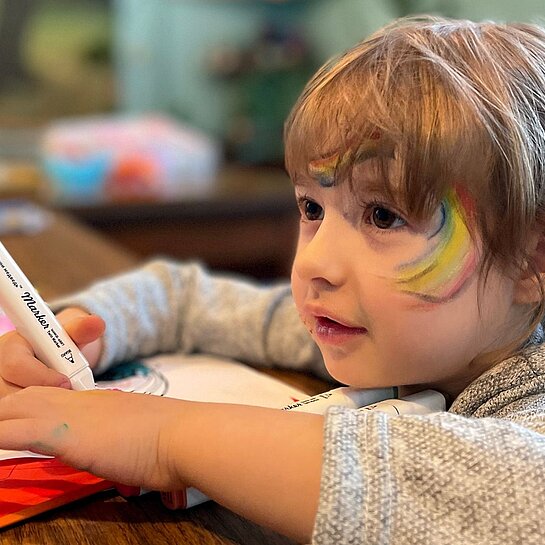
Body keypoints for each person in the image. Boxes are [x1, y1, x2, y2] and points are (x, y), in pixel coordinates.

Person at [1, 15, 545, 544]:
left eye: (384, 216)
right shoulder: (388, 329)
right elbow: (182, 298)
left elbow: (514, 495)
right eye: (313, 208)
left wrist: (164, 437)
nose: (315, 264)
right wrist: (87, 334)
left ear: (531, 261)